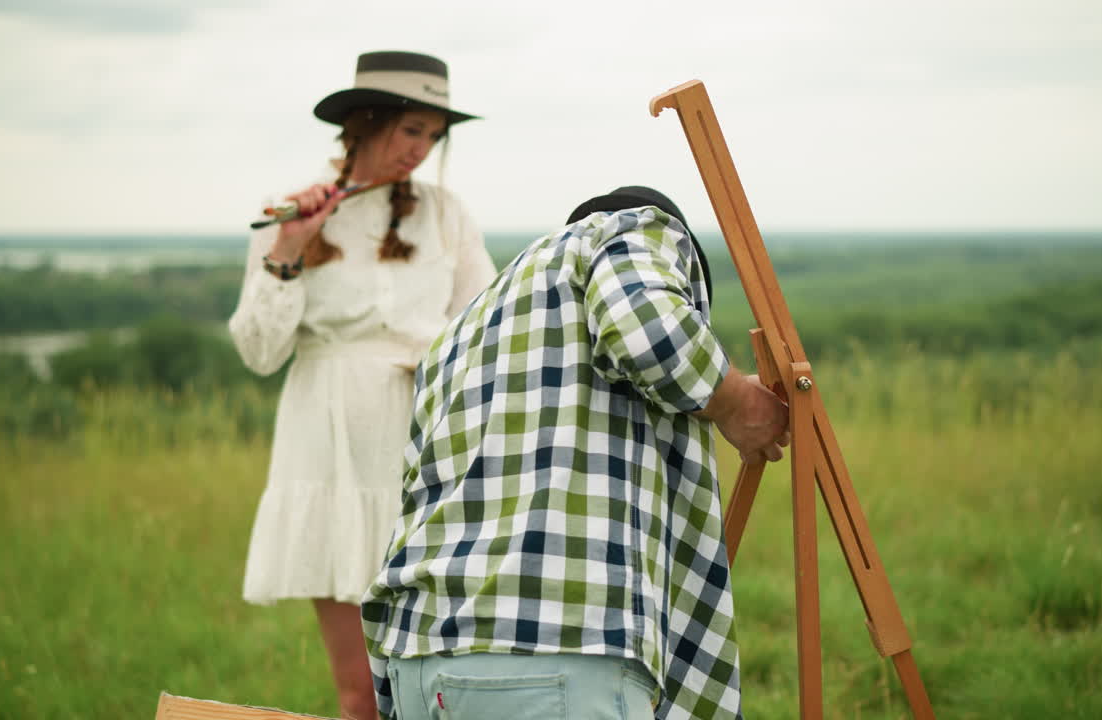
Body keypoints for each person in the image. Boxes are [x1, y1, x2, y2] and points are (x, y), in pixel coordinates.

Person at [361, 186, 790, 719]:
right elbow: (649, 332)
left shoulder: (464, 331)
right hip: (555, 656)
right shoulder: (628, 232)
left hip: (417, 658)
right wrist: (733, 400)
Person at [228, 50, 496, 720]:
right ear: (366, 122)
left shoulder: (446, 215)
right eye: (411, 130)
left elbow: (484, 328)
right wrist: (291, 246)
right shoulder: (293, 212)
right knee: (362, 696)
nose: (421, 149)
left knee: (441, 683)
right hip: (330, 446)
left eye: (433, 136)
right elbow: (260, 352)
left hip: (422, 442)